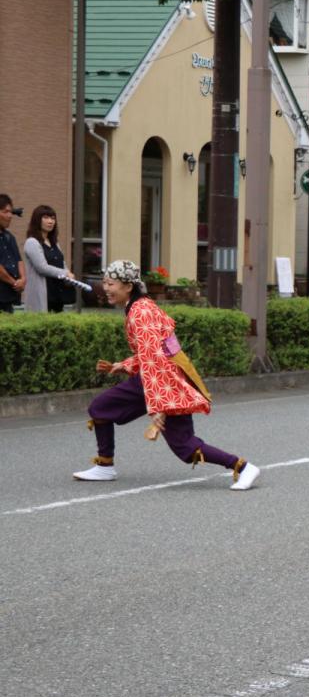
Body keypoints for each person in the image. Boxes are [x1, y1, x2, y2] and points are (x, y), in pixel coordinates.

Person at [72, 260, 263, 490]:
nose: (106, 288)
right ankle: (104, 466)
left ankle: (242, 467)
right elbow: (154, 352)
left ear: (128, 286)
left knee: (185, 447)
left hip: (161, 381)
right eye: (104, 283)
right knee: (101, 408)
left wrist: (158, 406)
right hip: (158, 378)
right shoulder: (139, 307)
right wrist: (123, 365)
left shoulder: (140, 312)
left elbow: (154, 360)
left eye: (110, 283)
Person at [22, 204, 74, 313]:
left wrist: (69, 275)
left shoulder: (54, 243)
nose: (50, 221)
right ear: (37, 220)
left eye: (53, 218)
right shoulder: (32, 242)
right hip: (43, 295)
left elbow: (61, 263)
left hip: (57, 294)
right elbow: (42, 267)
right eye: (46, 218)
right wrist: (64, 273)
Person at [0, 195, 26, 313]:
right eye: (6, 212)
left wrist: (23, 279)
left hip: (9, 296)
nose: (10, 216)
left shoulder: (9, 237)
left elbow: (19, 260)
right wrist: (14, 282)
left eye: (11, 212)